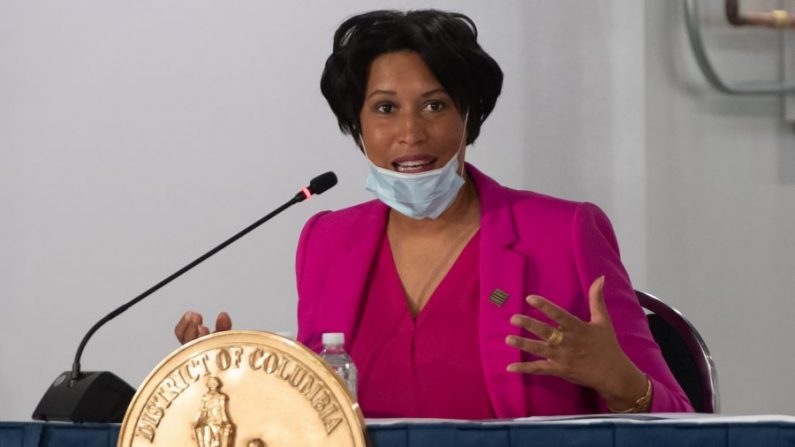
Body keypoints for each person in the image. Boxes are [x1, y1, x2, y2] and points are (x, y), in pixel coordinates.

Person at [176, 9, 694, 418]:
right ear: (356, 126)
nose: (410, 132)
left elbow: (684, 422)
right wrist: (232, 378)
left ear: (470, 118)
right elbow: (321, 412)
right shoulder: (327, 240)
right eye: (384, 108)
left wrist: (619, 379)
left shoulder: (565, 233)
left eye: (435, 105)